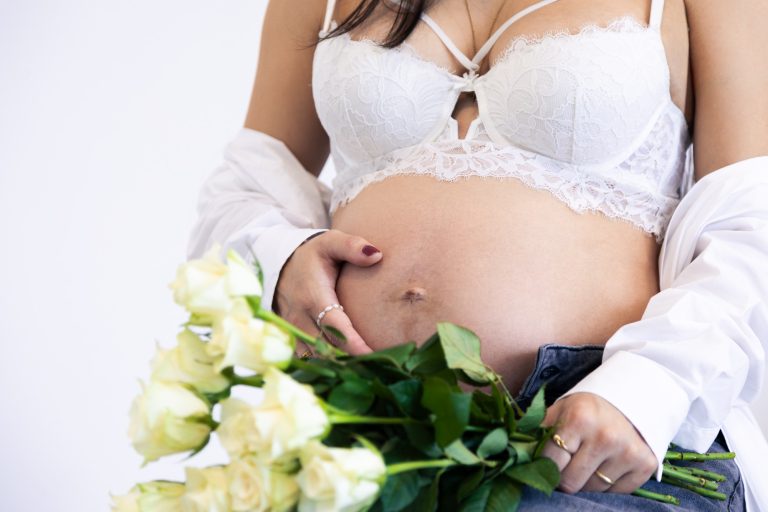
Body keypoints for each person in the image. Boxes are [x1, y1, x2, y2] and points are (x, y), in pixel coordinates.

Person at [186, 0, 768, 509]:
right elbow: (246, 184)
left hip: (586, 435)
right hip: (355, 425)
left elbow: (751, 219)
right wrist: (283, 259)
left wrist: (649, 388)